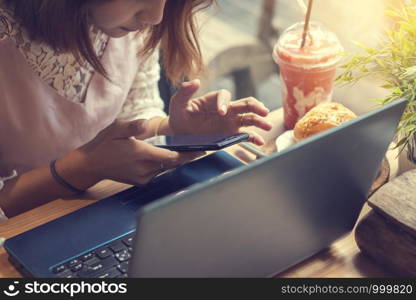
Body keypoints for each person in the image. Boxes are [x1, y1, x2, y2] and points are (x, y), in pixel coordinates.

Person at [0, 0, 272, 220]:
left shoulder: (125, 23)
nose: (157, 15)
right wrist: (85, 166)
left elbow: (134, 111)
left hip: (105, 208)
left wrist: (173, 131)